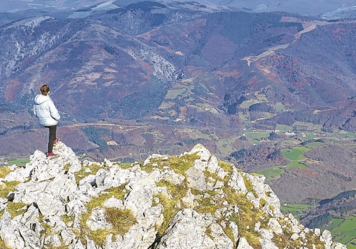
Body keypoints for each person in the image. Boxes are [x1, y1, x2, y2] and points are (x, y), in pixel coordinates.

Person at [33, 85, 61, 158]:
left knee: (52, 129)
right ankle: (50, 152)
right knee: (52, 132)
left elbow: (35, 113)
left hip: (42, 121)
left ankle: (54, 139)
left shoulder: (36, 101)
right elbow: (54, 113)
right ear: (48, 92)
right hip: (50, 121)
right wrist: (58, 118)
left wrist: (41, 118)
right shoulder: (49, 101)